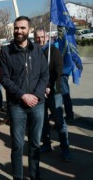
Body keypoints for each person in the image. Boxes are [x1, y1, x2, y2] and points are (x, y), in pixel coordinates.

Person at [0, 16, 49, 180]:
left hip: (37, 105)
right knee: (18, 145)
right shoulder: (6, 51)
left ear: (29, 30)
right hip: (16, 106)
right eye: (16, 28)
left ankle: (35, 175)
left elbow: (44, 75)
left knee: (34, 145)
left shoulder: (37, 50)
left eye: (22, 28)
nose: (18, 31)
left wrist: (35, 95)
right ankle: (17, 177)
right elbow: (5, 79)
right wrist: (23, 95)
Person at [33, 28, 72, 162]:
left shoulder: (53, 52)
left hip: (53, 92)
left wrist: (49, 86)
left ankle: (65, 148)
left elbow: (58, 71)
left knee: (59, 121)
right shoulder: (34, 52)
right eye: (37, 37)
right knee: (43, 120)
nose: (40, 39)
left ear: (47, 37)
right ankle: (46, 144)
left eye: (42, 37)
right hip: (39, 93)